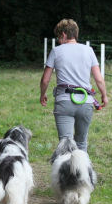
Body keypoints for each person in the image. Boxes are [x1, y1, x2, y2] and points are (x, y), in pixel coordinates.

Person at [40, 18, 108, 152]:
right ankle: (82, 172)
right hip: (86, 102)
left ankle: (65, 172)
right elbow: (99, 79)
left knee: (65, 144)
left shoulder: (56, 51)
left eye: (59, 37)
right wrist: (104, 96)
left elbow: (45, 80)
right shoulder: (88, 50)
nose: (59, 40)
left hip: (64, 101)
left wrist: (43, 94)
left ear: (64, 34)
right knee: (81, 143)